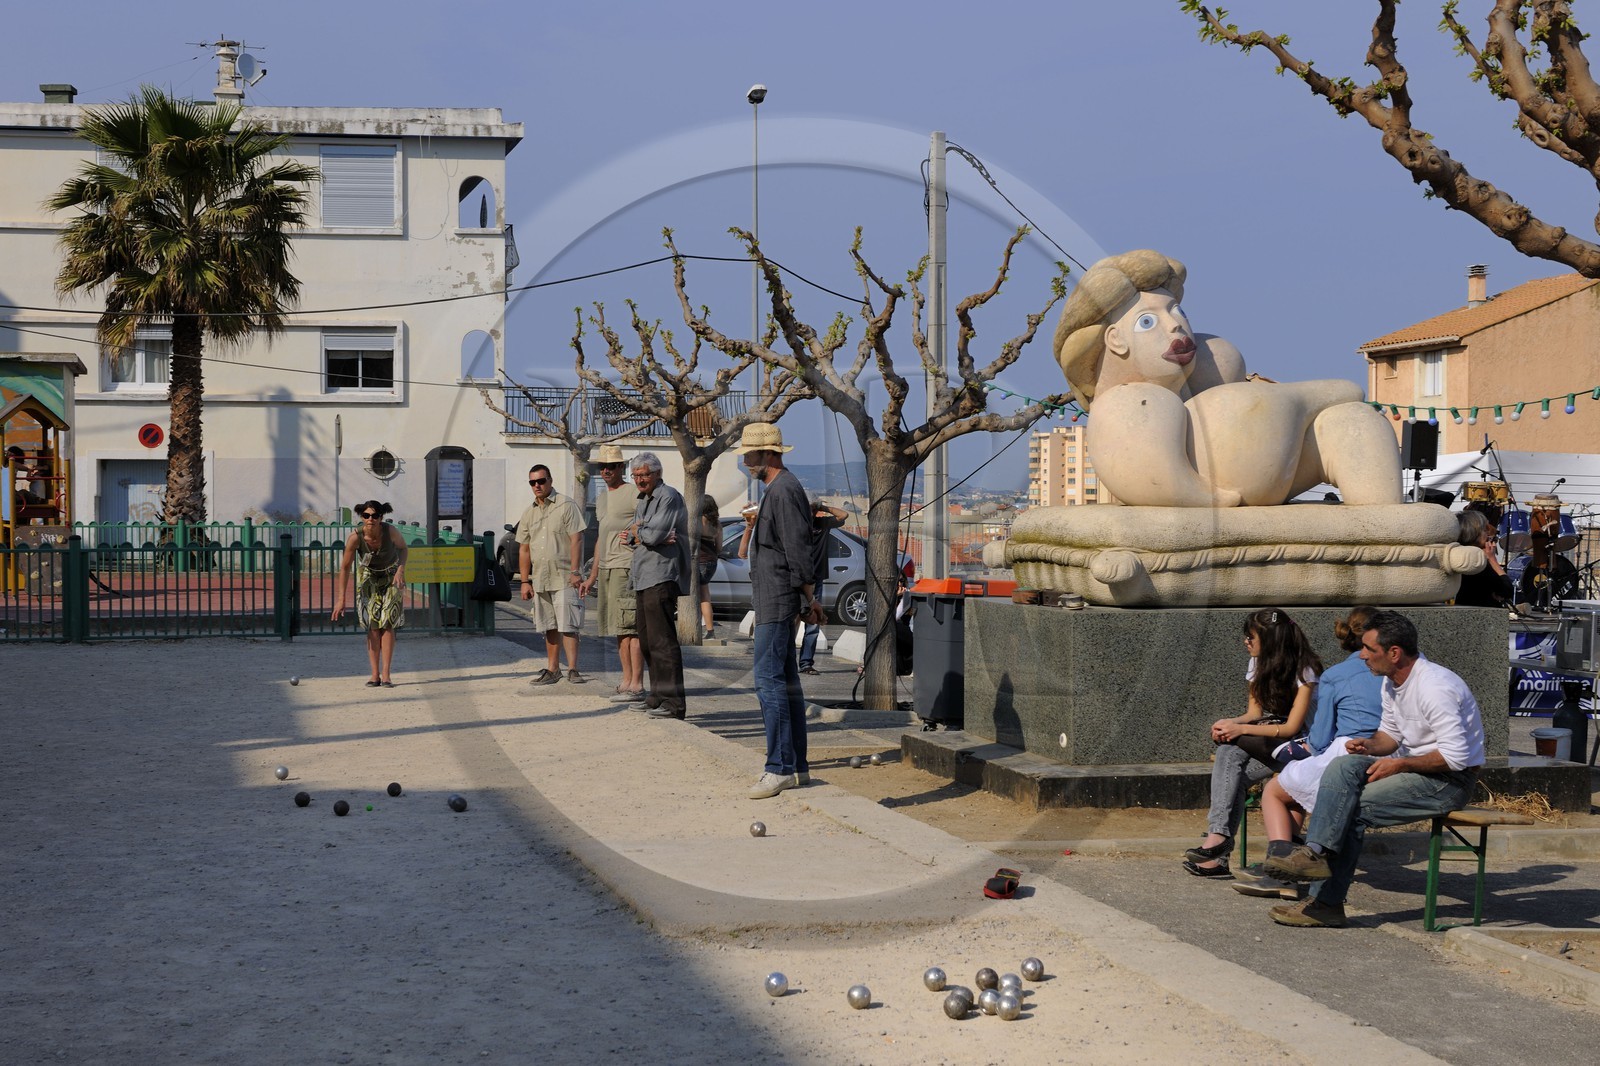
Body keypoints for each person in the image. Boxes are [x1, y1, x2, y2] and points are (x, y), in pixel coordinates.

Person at [1053, 250, 1402, 508]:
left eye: (1177, 310)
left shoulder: (1212, 373)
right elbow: (1155, 481)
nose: (1175, 324)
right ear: (1115, 340)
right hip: (1217, 501)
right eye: (1148, 321)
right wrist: (1211, 499)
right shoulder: (1128, 402)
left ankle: (1388, 526)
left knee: (1355, 421)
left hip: (1283, 470)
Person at [1264, 610, 1486, 928]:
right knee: (1342, 766)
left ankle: (1325, 902)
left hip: (1448, 780)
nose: (1363, 656)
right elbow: (1389, 736)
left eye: (1369, 649)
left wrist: (1399, 764)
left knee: (1351, 809)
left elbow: (1456, 758)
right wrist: (1368, 746)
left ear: (1394, 653)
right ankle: (1314, 853)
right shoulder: (1390, 683)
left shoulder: (1436, 686)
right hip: (1413, 769)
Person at [1233, 606, 1385, 900]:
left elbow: (1319, 739)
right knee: (1293, 785)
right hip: (1397, 753)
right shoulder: (1411, 670)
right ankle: (1286, 864)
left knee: (1276, 790)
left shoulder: (1337, 675)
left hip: (1351, 753)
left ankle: (1282, 874)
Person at [1183, 608, 1322, 877]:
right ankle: (1219, 841)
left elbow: (1292, 727)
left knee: (1231, 770)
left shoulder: (1305, 670)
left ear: (1270, 641)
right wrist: (1230, 723)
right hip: (1274, 741)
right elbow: (1255, 714)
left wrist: (1240, 729)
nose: (1246, 642)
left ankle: (1218, 849)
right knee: (1229, 757)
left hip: (1305, 747)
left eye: (1250, 637)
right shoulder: (1258, 663)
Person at [736, 423, 821, 799]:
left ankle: (780, 767)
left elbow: (797, 550)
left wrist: (810, 598)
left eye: (750, 454)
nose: (746, 460)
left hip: (777, 599)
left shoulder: (784, 491)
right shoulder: (778, 490)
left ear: (768, 455)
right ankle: (795, 766)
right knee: (785, 685)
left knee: (768, 684)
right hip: (775, 598)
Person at [581, 445, 646, 702]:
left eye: (611, 466)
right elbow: (600, 538)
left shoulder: (632, 492)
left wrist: (633, 534)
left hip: (626, 565)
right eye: (602, 467)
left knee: (632, 627)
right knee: (618, 629)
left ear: (622, 467)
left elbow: (645, 520)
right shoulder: (602, 498)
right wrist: (592, 575)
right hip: (607, 568)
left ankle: (637, 684)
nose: (606, 470)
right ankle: (626, 680)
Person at [627, 453, 689, 719]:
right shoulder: (643, 500)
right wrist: (640, 534)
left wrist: (640, 532)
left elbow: (652, 534)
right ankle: (656, 697)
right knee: (647, 641)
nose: (640, 480)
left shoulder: (669, 497)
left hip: (661, 576)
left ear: (657, 474)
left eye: (644, 475)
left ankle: (674, 704)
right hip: (643, 575)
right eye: (636, 475)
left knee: (663, 642)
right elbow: (636, 536)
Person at [517, 463, 588, 685]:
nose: (537, 485)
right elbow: (524, 548)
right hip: (541, 578)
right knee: (549, 625)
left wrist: (576, 571)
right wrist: (525, 581)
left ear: (550, 481)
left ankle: (574, 669)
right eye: (532, 482)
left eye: (541, 481)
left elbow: (576, 538)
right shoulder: (529, 512)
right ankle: (553, 669)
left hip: (565, 576)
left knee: (569, 625)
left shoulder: (566, 505)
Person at [331, 500, 408, 687]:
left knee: (388, 623)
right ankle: (374, 675)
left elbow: (403, 549)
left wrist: (400, 570)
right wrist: (341, 599)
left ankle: (387, 674)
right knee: (373, 626)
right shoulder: (355, 538)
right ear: (362, 517)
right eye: (366, 515)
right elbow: (345, 568)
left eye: (374, 515)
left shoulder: (390, 531)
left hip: (391, 575)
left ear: (381, 517)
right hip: (368, 578)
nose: (370, 519)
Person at [797, 495, 848, 675]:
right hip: (796, 578)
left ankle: (805, 663)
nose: (809, 513)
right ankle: (786, 662)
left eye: (812, 509)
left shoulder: (822, 524)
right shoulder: (794, 524)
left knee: (813, 622)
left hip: (815, 578)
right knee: (792, 620)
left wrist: (823, 508)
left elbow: (843, 515)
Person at [1453, 509, 1513, 608]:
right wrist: (1492, 560)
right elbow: (1507, 591)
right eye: (1484, 530)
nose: (1488, 535)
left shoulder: (1458, 554)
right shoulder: (1476, 560)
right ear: (1475, 533)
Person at [697, 493, 721, 641]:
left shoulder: (696, 521)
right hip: (712, 562)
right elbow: (719, 548)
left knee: (695, 596)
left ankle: (697, 627)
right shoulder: (717, 524)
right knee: (705, 595)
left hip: (698, 560)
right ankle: (710, 630)